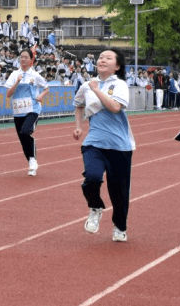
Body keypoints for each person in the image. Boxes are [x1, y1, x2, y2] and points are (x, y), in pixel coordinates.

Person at [72, 49, 134, 243]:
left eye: (108, 58)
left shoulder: (120, 85)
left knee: (119, 192)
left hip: (119, 146)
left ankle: (120, 227)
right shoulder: (86, 85)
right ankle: (95, 207)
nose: (102, 60)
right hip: (94, 141)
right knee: (92, 177)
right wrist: (78, 127)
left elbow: (116, 107)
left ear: (117, 66)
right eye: (100, 57)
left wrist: (97, 89)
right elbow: (79, 105)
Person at [4, 48, 49, 176]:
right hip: (18, 110)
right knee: (22, 137)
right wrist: (17, 81)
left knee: (25, 131)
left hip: (33, 109)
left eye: (26, 57)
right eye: (21, 57)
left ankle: (33, 160)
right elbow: (8, 94)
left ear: (31, 60)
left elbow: (46, 88)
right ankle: (31, 160)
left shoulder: (35, 75)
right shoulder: (14, 74)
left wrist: (41, 96)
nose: (23, 59)